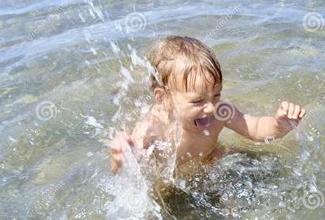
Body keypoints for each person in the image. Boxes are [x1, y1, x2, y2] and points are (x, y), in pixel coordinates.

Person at [110, 35, 305, 174]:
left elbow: (254, 128)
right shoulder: (152, 127)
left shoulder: (221, 112)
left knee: (244, 165)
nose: (211, 108)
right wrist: (123, 156)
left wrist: (279, 126)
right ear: (163, 99)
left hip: (209, 162)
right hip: (173, 179)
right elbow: (130, 171)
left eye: (216, 95)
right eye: (198, 101)